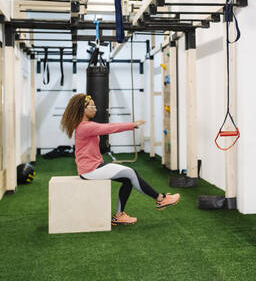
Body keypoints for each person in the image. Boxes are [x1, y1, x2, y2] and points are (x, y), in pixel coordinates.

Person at [60, 93, 180, 226]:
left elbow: (106, 127)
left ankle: (118, 216)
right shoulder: (85, 127)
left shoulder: (84, 125)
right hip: (90, 170)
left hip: (95, 167)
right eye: (92, 106)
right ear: (83, 109)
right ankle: (160, 199)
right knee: (130, 173)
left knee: (127, 179)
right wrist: (132, 125)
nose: (95, 108)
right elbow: (108, 128)